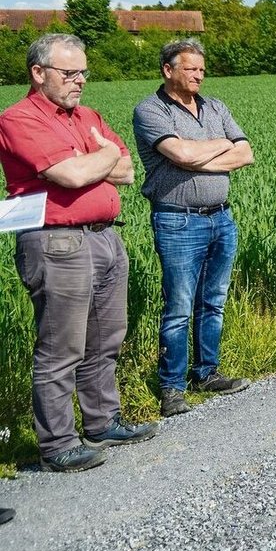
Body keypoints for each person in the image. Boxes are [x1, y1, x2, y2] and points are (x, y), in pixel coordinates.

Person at [0, 33, 158, 472]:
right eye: (69, 73)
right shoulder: (18, 119)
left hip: (106, 236)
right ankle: (58, 444)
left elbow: (127, 170)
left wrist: (94, 160)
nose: (80, 80)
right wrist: (100, 154)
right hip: (57, 242)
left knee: (106, 338)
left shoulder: (87, 115)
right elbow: (70, 175)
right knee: (61, 346)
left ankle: (103, 422)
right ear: (38, 73)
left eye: (83, 72)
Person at [133, 39, 253, 418]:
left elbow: (246, 153)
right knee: (179, 306)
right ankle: (172, 388)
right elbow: (180, 153)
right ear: (168, 70)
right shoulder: (150, 110)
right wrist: (220, 145)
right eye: (191, 69)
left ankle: (207, 373)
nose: (199, 75)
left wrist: (199, 155)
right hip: (177, 220)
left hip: (221, 217)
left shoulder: (215, 106)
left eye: (202, 69)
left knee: (213, 301)